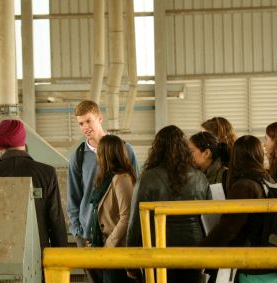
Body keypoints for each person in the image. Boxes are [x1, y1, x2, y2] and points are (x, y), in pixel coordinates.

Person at [127, 125, 211, 283]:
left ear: (157, 149)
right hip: (195, 247)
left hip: (158, 247)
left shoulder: (148, 178)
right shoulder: (200, 177)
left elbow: (135, 222)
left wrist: (131, 260)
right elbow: (209, 218)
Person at [67, 100, 138, 283]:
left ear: (100, 118)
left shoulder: (124, 148)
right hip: (87, 232)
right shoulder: (79, 154)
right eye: (81, 123)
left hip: (117, 231)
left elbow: (134, 189)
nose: (85, 127)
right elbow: (74, 196)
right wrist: (77, 230)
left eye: (88, 121)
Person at [200, 135, 277, 283]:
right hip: (276, 263)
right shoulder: (269, 180)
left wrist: (199, 251)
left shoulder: (244, 186)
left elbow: (228, 228)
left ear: (236, 157)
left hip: (254, 267)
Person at [0, 119, 67, 250]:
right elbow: (56, 221)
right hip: (39, 256)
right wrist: (60, 262)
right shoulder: (47, 173)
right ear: (23, 140)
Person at [90, 135, 136, 283]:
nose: (97, 156)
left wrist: (109, 244)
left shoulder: (121, 179)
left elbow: (127, 217)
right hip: (108, 247)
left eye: (99, 152)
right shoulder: (107, 179)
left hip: (118, 250)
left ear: (106, 155)